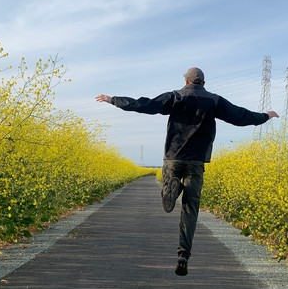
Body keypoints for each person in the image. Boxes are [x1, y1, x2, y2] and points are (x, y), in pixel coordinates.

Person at [96, 67, 278, 276]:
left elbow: (144, 104)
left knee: (169, 185)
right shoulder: (214, 100)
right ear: (203, 83)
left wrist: (113, 100)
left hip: (173, 157)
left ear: (186, 82)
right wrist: (265, 116)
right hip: (196, 161)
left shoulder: (175, 96)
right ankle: (183, 254)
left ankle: (171, 187)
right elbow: (240, 116)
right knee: (191, 208)